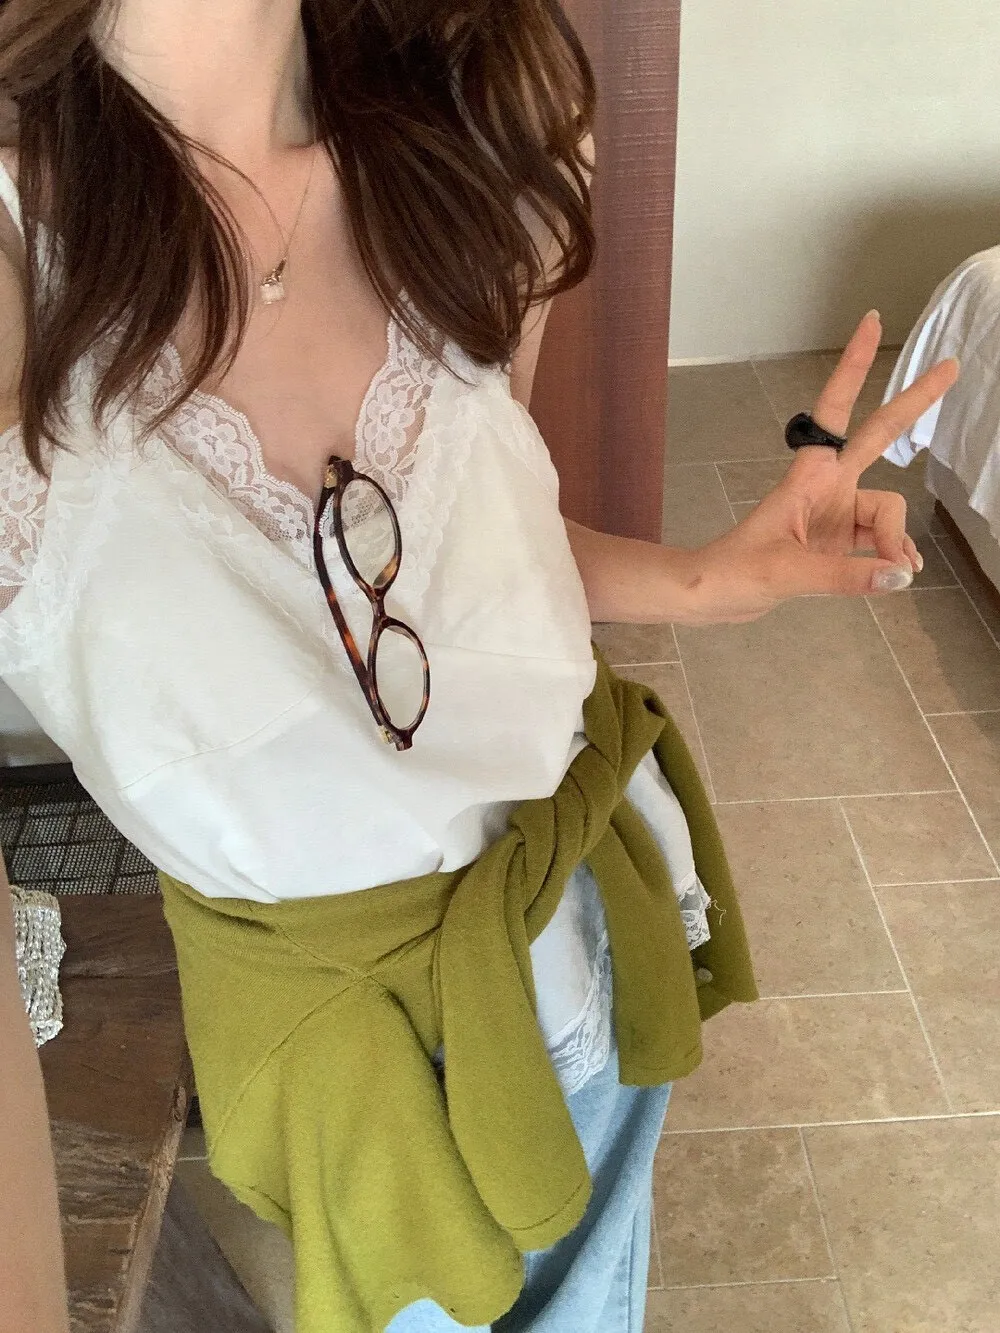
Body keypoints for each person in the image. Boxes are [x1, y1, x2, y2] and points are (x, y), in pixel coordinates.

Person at [0, 2, 956, 1331]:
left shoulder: (480, 131)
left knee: (596, 1300)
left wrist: (703, 581)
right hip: (354, 1044)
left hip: (591, 904)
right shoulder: (20, 249)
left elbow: (476, 554)